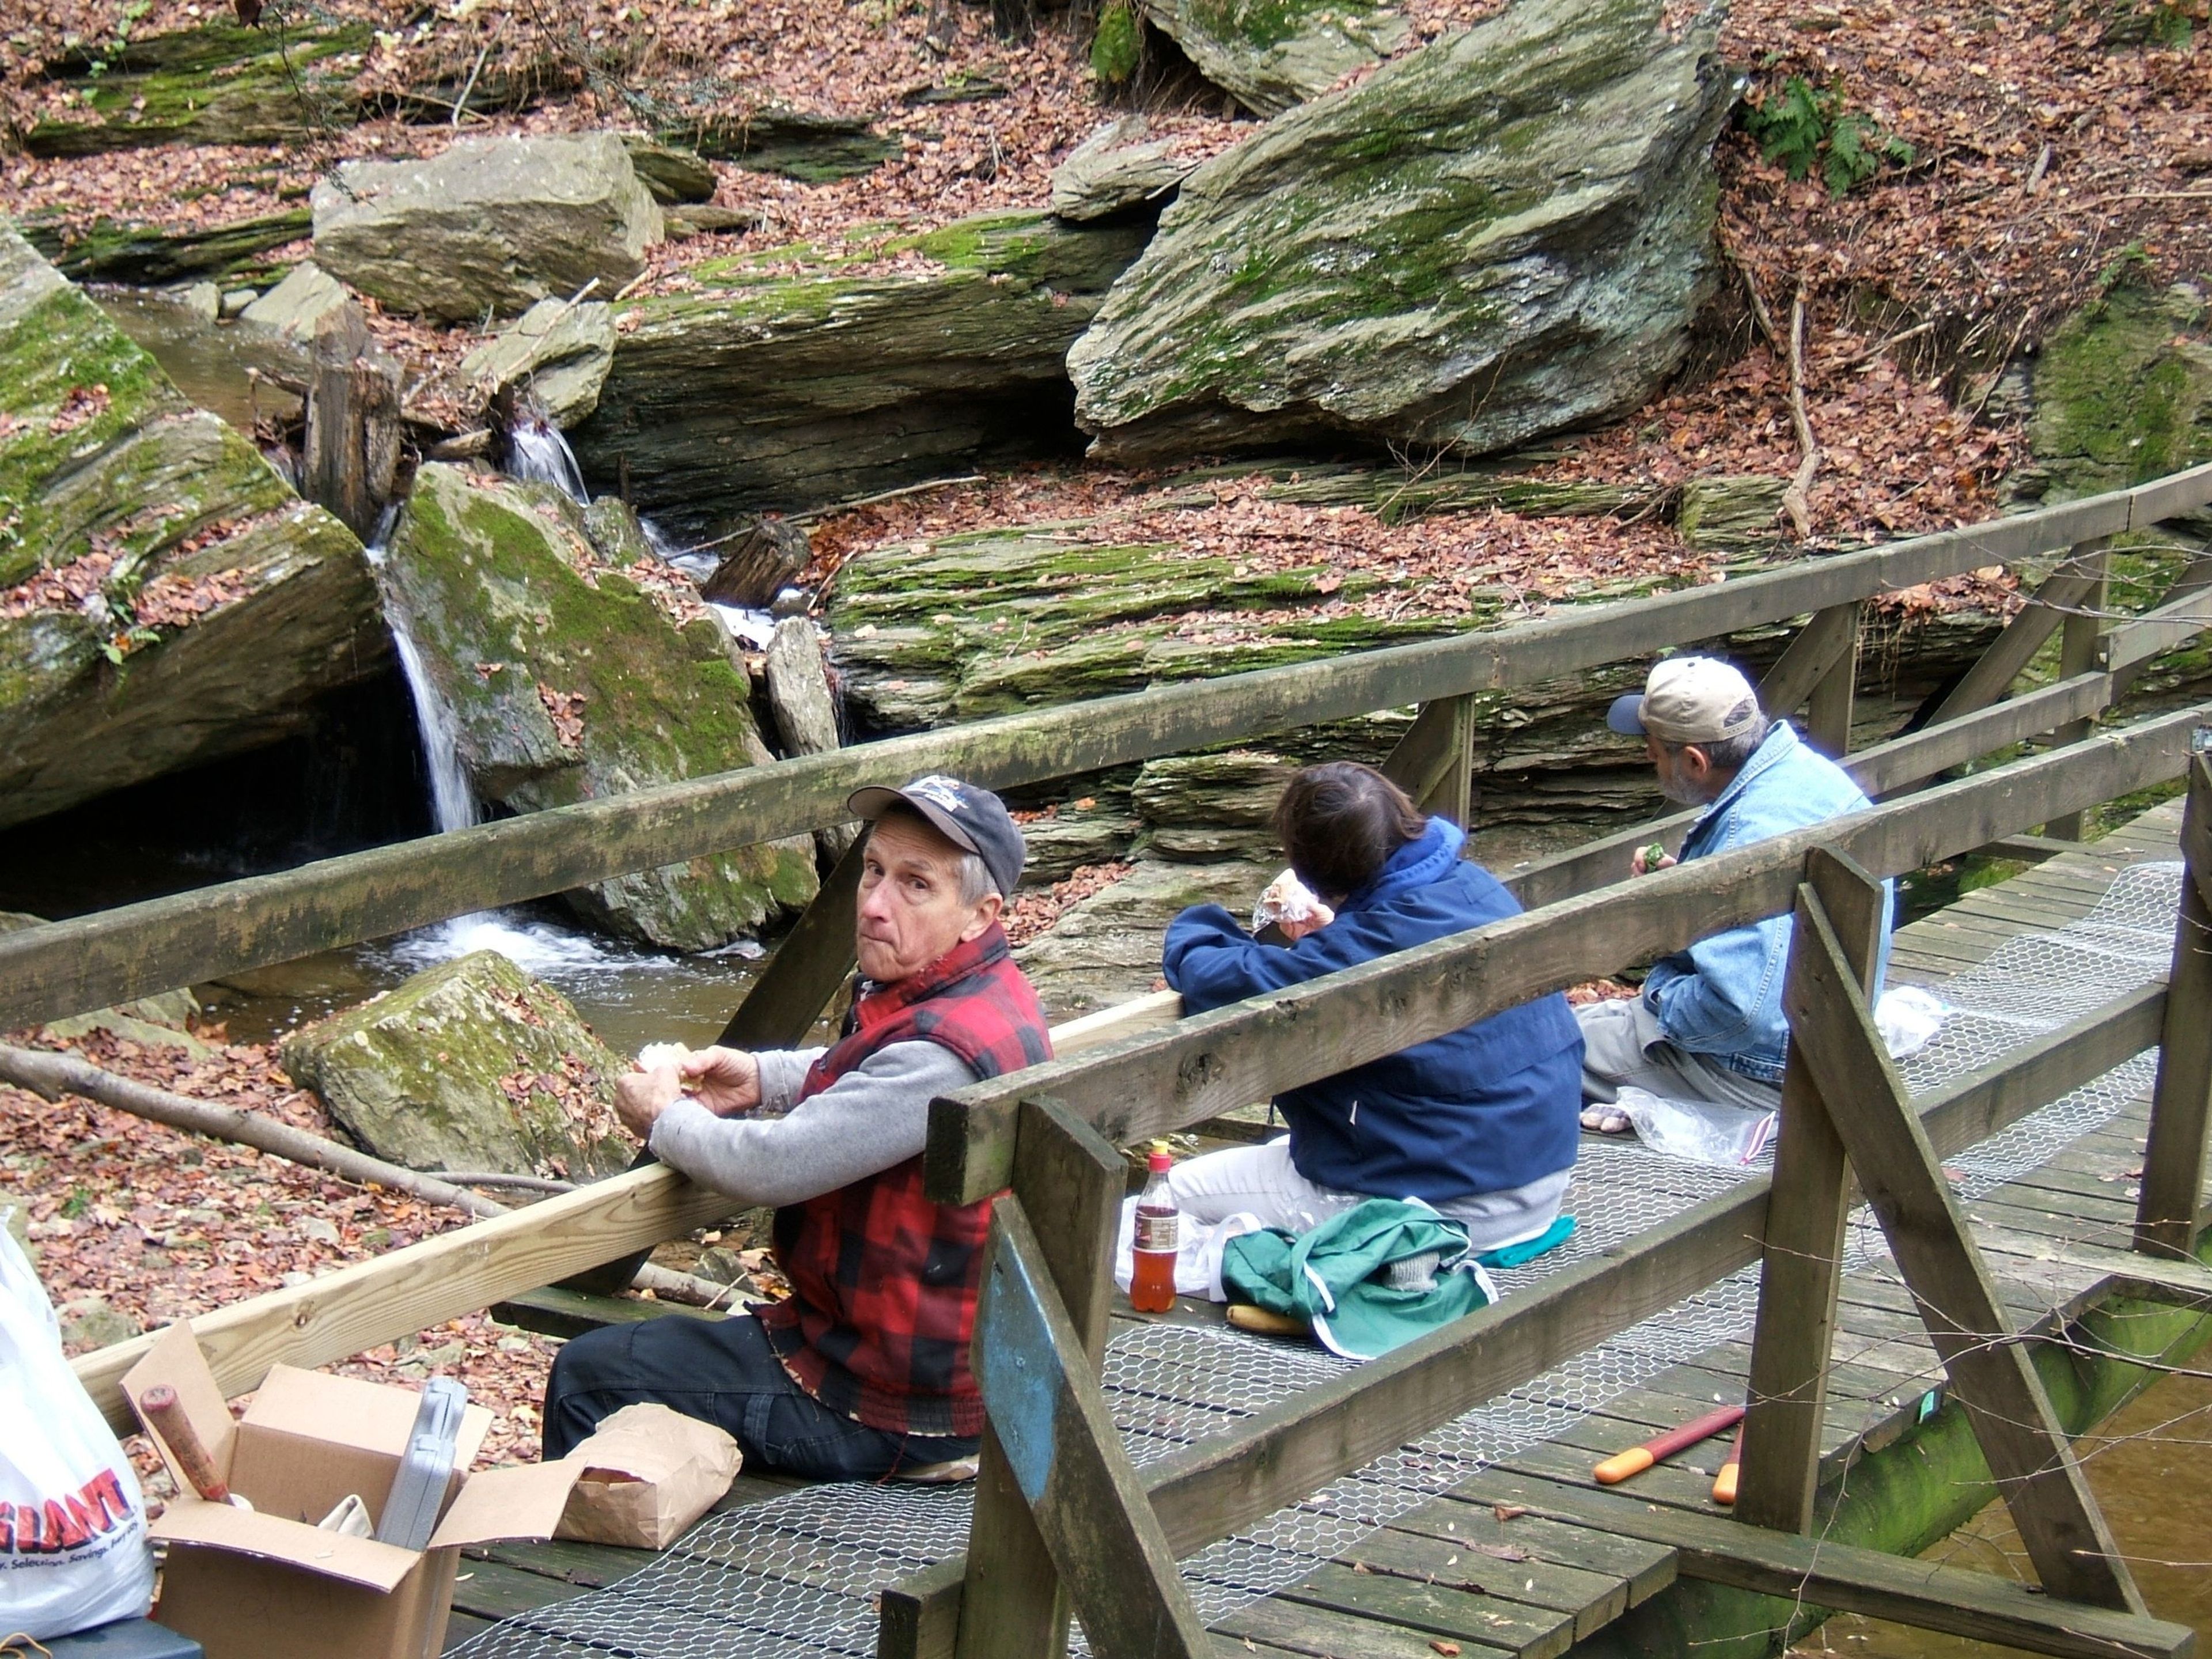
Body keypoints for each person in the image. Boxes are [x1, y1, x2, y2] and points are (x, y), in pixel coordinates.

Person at [540, 775, 1050, 1481]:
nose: (874, 904)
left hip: (888, 1406)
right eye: (873, 870)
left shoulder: (940, 1057)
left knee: (586, 1375)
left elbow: (773, 1165)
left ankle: (584, 1587)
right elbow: (872, 1070)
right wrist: (764, 1077)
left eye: (915, 885)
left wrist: (667, 1118)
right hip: (936, 1364)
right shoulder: (982, 995)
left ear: (979, 913)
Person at [1158, 763, 1585, 1251]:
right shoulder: (1476, 888)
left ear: (1313, 872)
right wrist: (1336, 932)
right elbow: (1381, 944)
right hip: (1536, 1174)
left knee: (1166, 1197)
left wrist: (1200, 925)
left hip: (1445, 1210)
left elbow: (1214, 977)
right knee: (1265, 1162)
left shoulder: (1353, 953)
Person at [1577, 655, 1889, 1114]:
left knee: (1546, 1048)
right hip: (1831, 1035)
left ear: (1696, 761)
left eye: (1654, 747)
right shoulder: (1805, 774)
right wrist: (1692, 900)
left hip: (1767, 1071)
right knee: (1570, 1026)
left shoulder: (1749, 836)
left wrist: (1660, 986)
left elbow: (1739, 1015)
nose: (1647, 755)